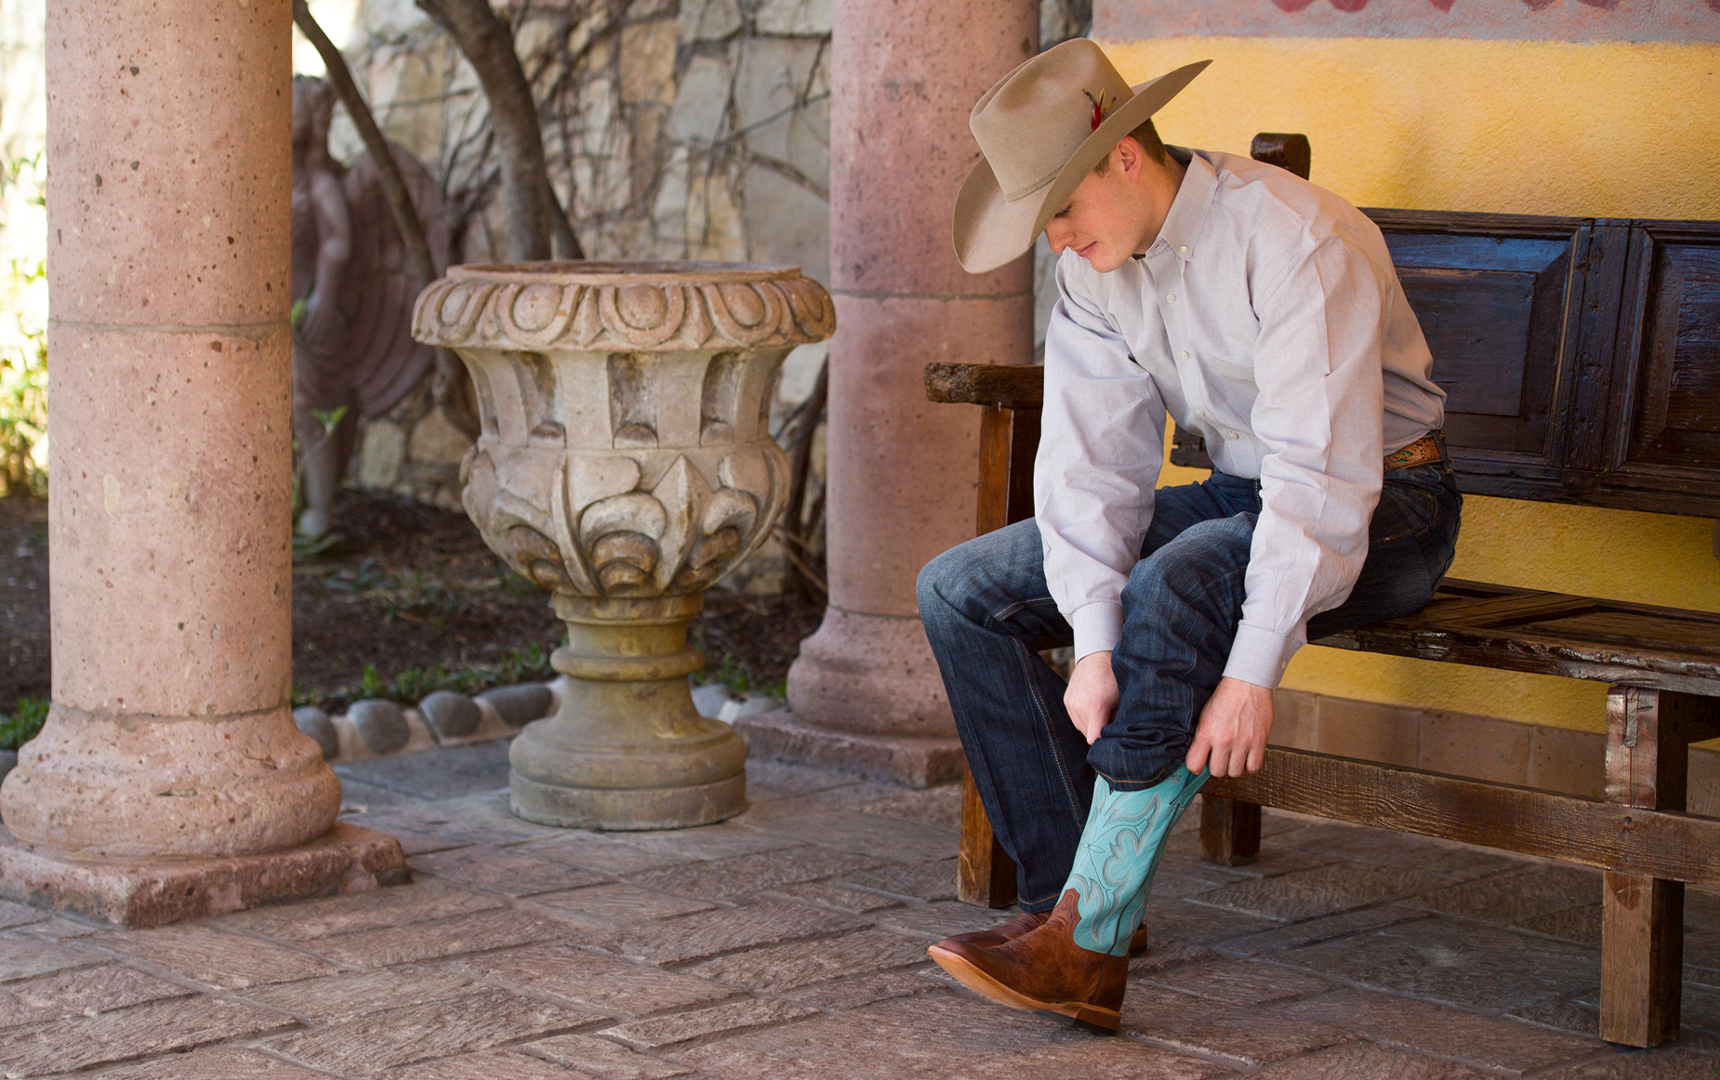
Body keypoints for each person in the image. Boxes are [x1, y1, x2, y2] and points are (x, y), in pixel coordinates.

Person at [916, 40, 1461, 1032]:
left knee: (1181, 579)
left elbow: (1323, 479)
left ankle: (1086, 940)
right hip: (1240, 498)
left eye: (1061, 211)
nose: (1056, 243)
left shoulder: (1296, 241)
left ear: (1125, 157)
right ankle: (1074, 908)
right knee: (960, 589)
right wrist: (1090, 641)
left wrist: (1253, 672)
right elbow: (1091, 470)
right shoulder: (1097, 273)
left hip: (1388, 509)